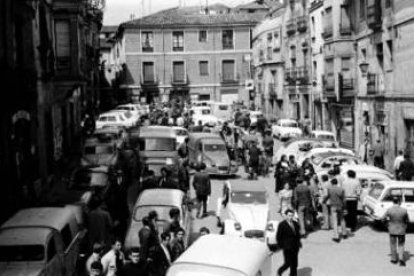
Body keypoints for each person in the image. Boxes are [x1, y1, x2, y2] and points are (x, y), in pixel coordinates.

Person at [380, 196, 409, 266]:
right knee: (401, 244)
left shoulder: (389, 210)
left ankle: (394, 259)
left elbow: (382, 219)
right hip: (401, 229)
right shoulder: (404, 210)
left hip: (392, 229)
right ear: (399, 202)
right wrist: (405, 226)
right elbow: (407, 220)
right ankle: (401, 259)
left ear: (393, 202)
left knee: (393, 244)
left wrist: (387, 225)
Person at [275, 209, 302, 276]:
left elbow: (297, 235)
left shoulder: (295, 224)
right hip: (287, 248)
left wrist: (299, 243)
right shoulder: (282, 225)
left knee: (295, 264)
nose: (290, 217)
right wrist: (282, 246)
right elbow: (278, 237)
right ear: (286, 216)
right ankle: (280, 271)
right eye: (289, 215)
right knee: (288, 263)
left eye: (292, 216)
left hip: (295, 247)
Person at [323, 178, 346, 242]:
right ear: (337, 182)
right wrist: (345, 207)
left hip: (333, 206)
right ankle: (344, 233)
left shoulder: (330, 189)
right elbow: (344, 199)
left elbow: (327, 196)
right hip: (340, 206)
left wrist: (324, 201)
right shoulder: (341, 189)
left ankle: (336, 237)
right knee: (342, 219)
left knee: (335, 221)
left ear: (332, 183)